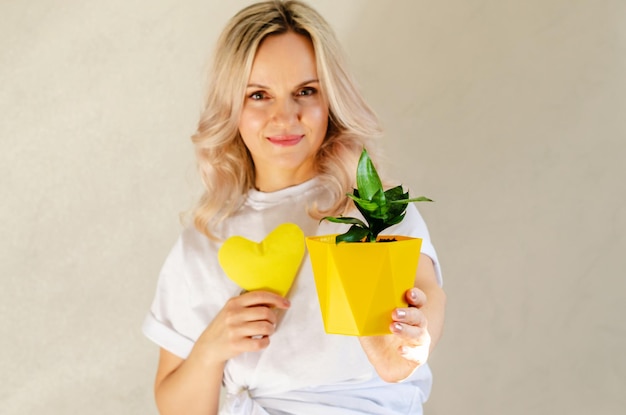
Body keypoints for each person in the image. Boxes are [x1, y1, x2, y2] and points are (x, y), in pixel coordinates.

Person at [142, 1, 446, 414]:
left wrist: (414, 336)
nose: (285, 117)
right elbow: (177, 408)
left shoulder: (375, 214)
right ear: (230, 106)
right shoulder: (204, 240)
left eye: (305, 91)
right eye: (259, 95)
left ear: (331, 97)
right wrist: (211, 347)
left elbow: (425, 302)